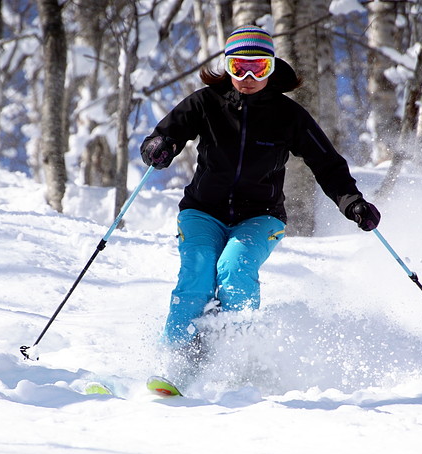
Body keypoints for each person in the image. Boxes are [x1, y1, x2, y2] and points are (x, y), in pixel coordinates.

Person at [140, 25, 380, 378]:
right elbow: (166, 134)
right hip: (202, 212)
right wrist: (158, 147)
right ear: (227, 68)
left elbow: (326, 163)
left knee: (234, 274)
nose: (248, 77)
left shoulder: (288, 116)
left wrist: (352, 202)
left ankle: (238, 361)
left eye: (258, 69)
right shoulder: (206, 102)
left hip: (260, 217)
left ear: (271, 68)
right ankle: (175, 363)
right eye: (239, 68)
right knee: (197, 275)